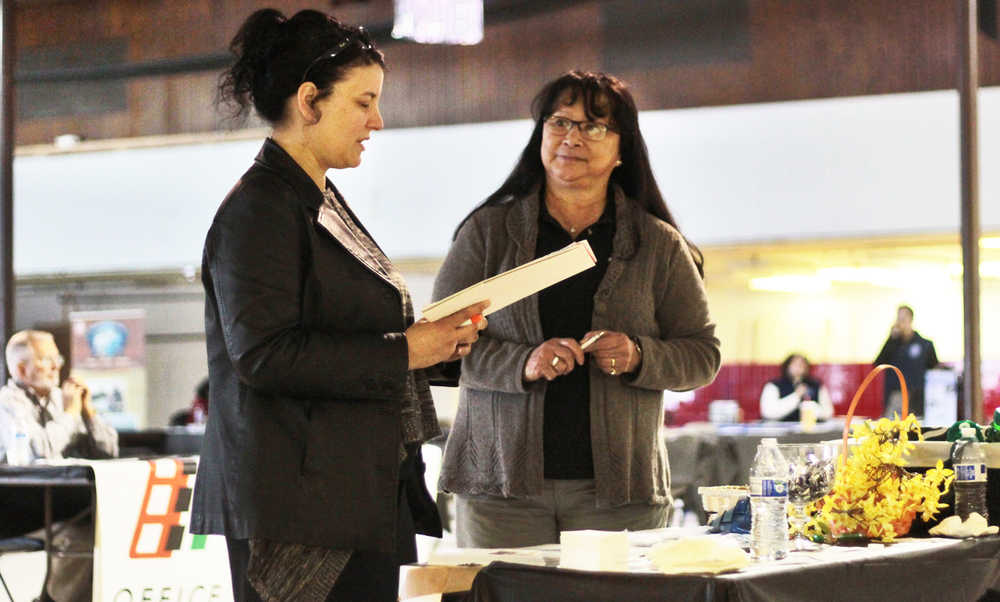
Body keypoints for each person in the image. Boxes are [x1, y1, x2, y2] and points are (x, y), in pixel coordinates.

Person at [189, 9, 487, 602]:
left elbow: (344, 335)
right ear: (309, 101)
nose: (377, 121)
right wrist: (404, 350)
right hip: (301, 507)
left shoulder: (315, 198)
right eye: (363, 102)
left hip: (349, 492)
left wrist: (434, 349)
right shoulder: (260, 209)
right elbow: (264, 355)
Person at [431, 71, 721, 548]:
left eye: (593, 126)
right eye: (559, 122)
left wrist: (639, 356)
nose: (572, 137)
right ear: (540, 134)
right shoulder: (488, 232)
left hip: (618, 494)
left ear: (622, 148)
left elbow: (702, 355)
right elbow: (441, 345)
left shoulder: (657, 244)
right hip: (500, 488)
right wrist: (523, 362)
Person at [0, 329, 118, 602]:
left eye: (58, 359)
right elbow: (36, 452)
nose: (56, 367)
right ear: (21, 368)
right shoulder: (7, 404)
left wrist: (88, 413)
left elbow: (109, 450)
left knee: (98, 527)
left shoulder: (59, 399)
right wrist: (70, 415)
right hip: (14, 511)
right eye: (47, 359)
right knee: (81, 535)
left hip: (57, 507)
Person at [874, 305, 938, 417]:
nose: (900, 323)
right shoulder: (892, 345)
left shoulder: (925, 345)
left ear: (910, 320)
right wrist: (891, 339)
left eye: (903, 319)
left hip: (917, 398)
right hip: (896, 396)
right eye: (898, 319)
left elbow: (934, 369)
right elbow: (878, 363)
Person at [759, 353, 834, 422]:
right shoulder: (773, 386)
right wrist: (796, 396)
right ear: (787, 366)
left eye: (802, 364)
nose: (799, 367)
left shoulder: (816, 385)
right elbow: (768, 413)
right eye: (795, 364)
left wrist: (812, 407)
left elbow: (828, 413)